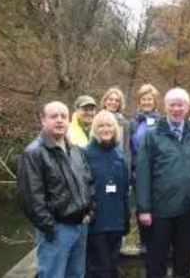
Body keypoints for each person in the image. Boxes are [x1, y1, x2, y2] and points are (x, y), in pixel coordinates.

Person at [136, 87, 190, 278]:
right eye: (172, 105)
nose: (176, 109)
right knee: (156, 262)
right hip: (160, 211)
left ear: (187, 107)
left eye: (181, 105)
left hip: (188, 209)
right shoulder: (152, 135)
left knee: (183, 262)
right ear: (165, 106)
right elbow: (143, 174)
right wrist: (144, 208)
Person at [17, 101, 95, 278]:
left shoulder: (75, 151)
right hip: (57, 231)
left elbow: (88, 183)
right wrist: (50, 228)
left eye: (63, 116)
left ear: (69, 120)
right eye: (54, 116)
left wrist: (90, 212)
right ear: (43, 120)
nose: (59, 120)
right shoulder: (33, 153)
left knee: (77, 274)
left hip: (81, 226)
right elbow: (30, 199)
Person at [84, 110, 130, 278]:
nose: (105, 129)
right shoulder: (86, 153)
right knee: (99, 268)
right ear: (95, 129)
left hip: (116, 221)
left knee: (112, 265)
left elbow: (125, 190)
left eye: (109, 125)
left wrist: (126, 219)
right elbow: (83, 189)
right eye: (101, 126)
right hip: (96, 222)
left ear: (115, 128)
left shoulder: (119, 154)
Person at [130, 84, 162, 250]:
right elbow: (128, 147)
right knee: (142, 206)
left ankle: (159, 240)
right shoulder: (133, 123)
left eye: (150, 99)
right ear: (139, 101)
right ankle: (144, 241)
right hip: (138, 171)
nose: (147, 102)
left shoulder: (162, 121)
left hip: (158, 171)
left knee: (158, 206)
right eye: (144, 99)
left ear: (155, 101)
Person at [101, 87, 130, 158]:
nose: (113, 102)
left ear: (120, 104)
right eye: (110, 99)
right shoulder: (97, 120)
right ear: (105, 101)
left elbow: (126, 149)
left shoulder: (125, 124)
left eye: (117, 101)